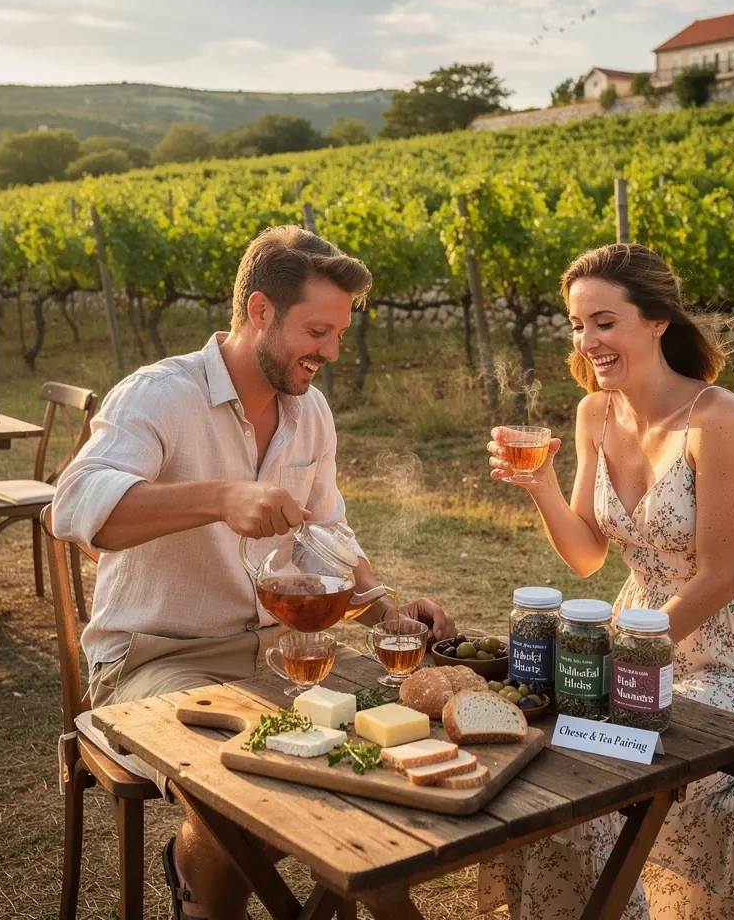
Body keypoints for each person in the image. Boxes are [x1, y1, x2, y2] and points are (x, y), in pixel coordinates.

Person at [52, 225, 455, 920]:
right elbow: (75, 507)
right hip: (156, 658)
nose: (330, 352)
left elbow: (326, 537)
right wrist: (219, 497)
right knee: (248, 787)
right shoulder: (156, 395)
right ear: (261, 311)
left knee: (377, 757)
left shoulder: (311, 412)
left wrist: (386, 610)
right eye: (318, 331)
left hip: (279, 657)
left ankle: (211, 868)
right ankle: (205, 897)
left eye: (338, 334)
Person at [482, 243, 734, 919]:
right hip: (633, 638)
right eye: (576, 324)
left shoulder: (718, 418)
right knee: (554, 773)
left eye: (604, 322)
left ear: (656, 322)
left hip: (727, 659)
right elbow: (588, 554)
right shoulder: (596, 413)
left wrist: (623, 653)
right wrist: (539, 485)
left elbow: (719, 578)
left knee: (606, 788)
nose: (587, 341)